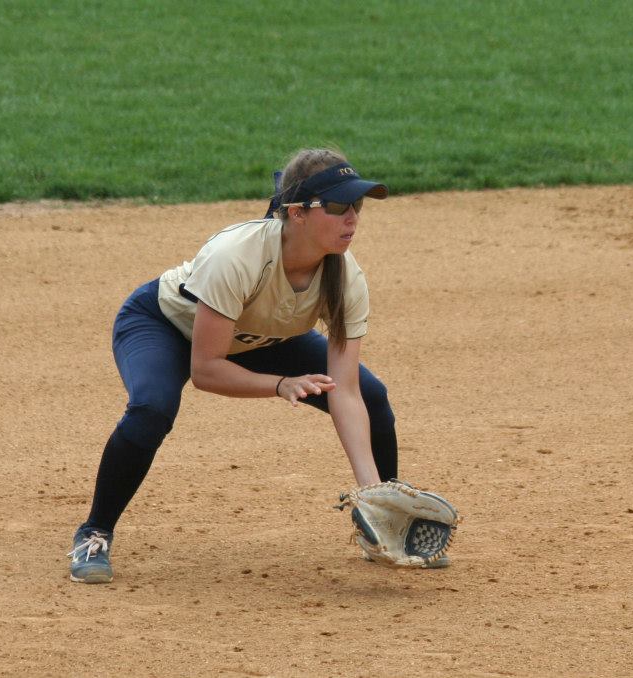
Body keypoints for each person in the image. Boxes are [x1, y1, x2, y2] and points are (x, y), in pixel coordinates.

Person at [68, 148, 414, 584]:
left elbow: (344, 390)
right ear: (297, 213)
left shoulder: (345, 277)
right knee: (151, 410)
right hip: (168, 325)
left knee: (371, 395)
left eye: (357, 206)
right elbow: (207, 370)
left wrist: (369, 491)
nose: (352, 218)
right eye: (337, 206)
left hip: (262, 335)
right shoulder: (237, 255)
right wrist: (280, 383)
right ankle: (94, 531)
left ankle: (386, 522)